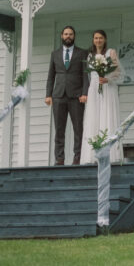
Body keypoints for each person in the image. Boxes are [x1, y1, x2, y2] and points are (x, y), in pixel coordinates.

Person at [45, 25, 89, 165]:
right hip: (58, 96)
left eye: (70, 34)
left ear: (74, 36)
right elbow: (51, 76)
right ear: (61, 36)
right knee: (59, 129)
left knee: (78, 128)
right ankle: (59, 158)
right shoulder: (55, 54)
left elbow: (85, 75)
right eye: (65, 34)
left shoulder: (82, 53)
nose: (68, 36)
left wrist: (84, 93)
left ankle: (78, 157)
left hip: (76, 96)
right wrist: (48, 94)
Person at [80, 30, 122, 165]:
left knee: (106, 115)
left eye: (101, 38)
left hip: (107, 88)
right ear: (93, 40)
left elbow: (117, 72)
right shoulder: (90, 55)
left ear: (105, 39)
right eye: (96, 38)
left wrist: (108, 79)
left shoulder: (111, 52)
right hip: (94, 88)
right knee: (93, 117)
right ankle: (91, 155)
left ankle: (111, 154)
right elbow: (89, 75)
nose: (98, 40)